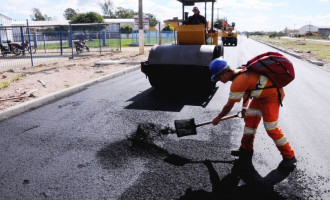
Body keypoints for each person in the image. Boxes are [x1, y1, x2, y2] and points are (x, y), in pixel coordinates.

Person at [209, 58, 297, 172]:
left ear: (225, 74)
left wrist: (218, 118)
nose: (219, 80)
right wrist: (245, 107)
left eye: (218, 77)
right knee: (250, 122)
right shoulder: (239, 72)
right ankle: (246, 150)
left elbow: (229, 105)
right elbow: (246, 90)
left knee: (271, 127)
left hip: (272, 96)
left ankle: (289, 157)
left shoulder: (238, 82)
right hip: (260, 97)